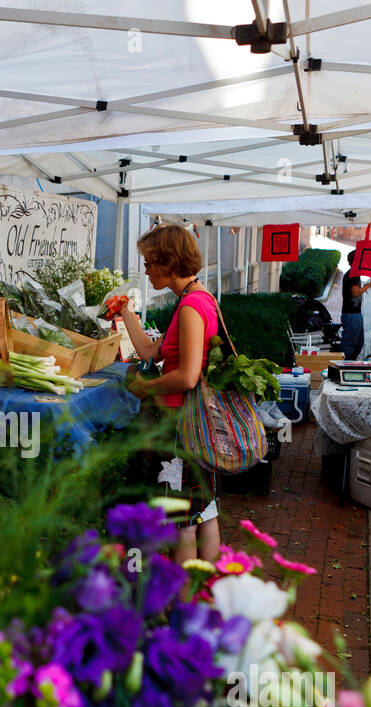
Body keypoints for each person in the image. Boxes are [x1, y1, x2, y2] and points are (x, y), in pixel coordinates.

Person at [118, 223, 221, 564]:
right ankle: (204, 592)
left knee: (182, 523)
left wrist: (146, 388)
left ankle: (182, 603)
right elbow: (150, 351)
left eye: (149, 263)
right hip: (194, 423)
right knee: (203, 511)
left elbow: (188, 376)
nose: (146, 270)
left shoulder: (191, 308)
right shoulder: (196, 300)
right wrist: (125, 313)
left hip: (181, 426)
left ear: (168, 262)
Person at [340, 250, 371, 360]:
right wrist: (368, 286)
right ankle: (346, 364)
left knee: (359, 343)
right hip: (351, 315)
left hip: (354, 314)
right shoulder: (353, 274)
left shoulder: (353, 274)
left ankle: (351, 362)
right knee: (350, 344)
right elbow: (355, 292)